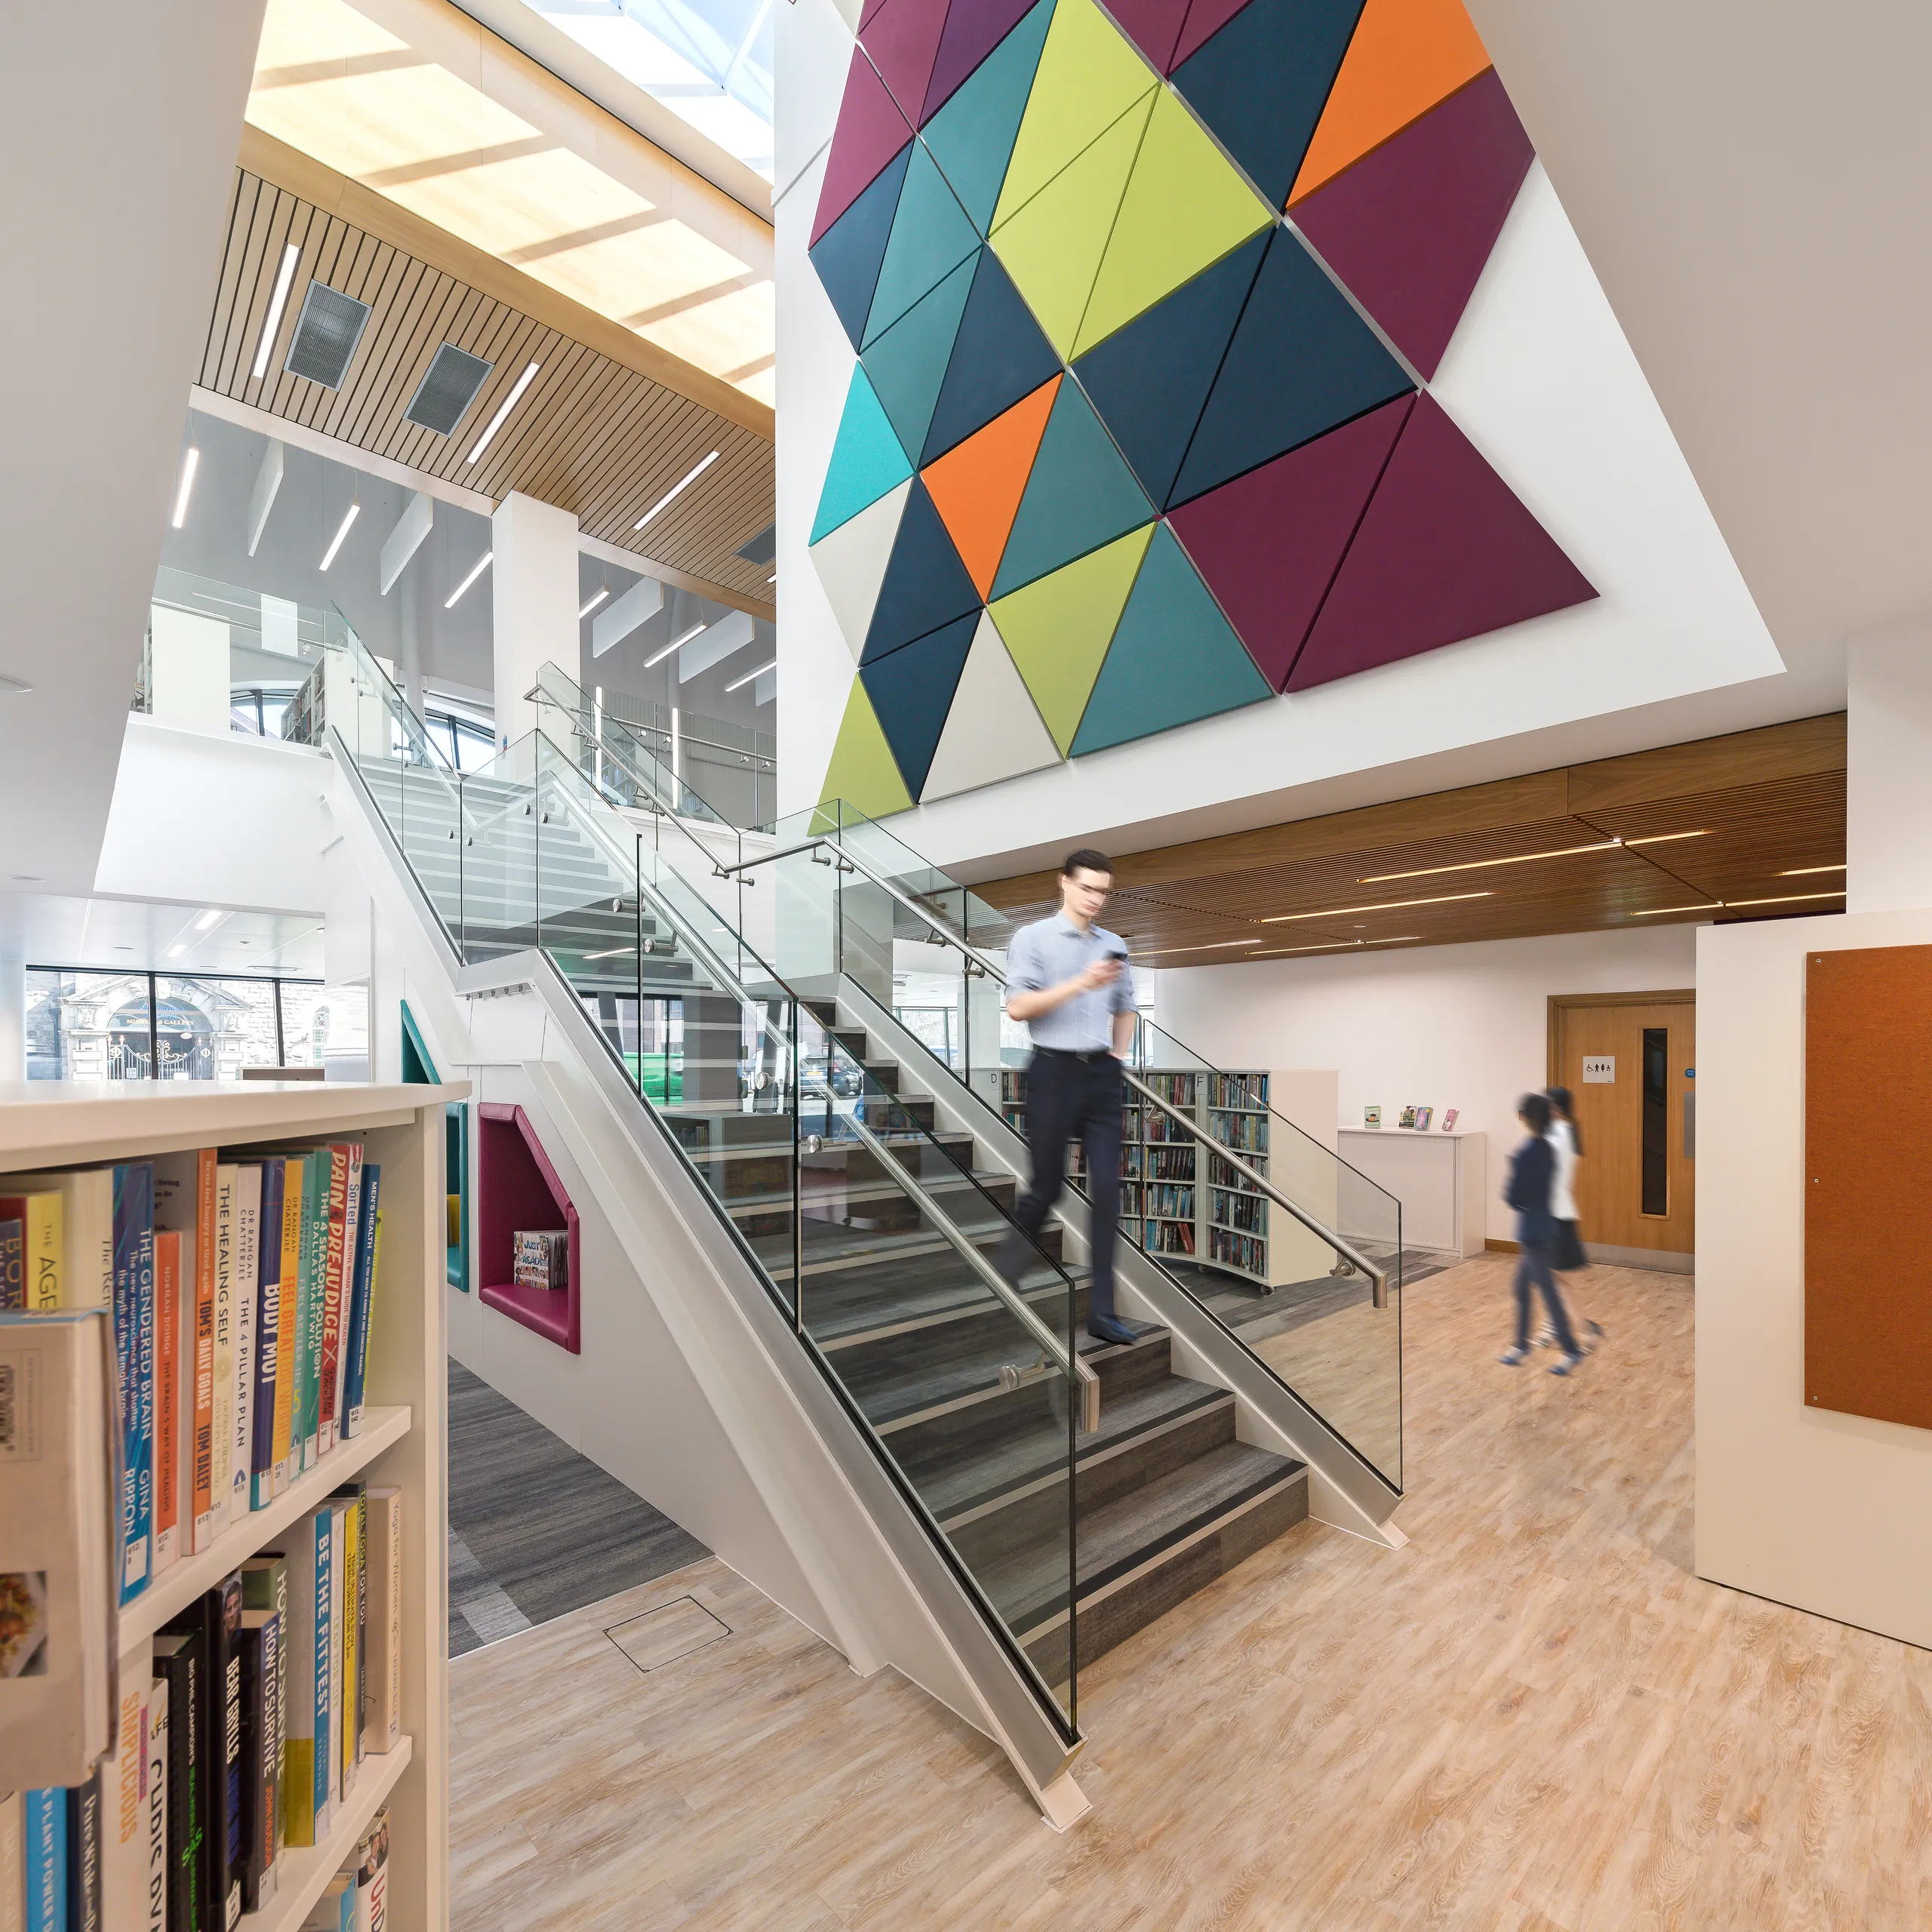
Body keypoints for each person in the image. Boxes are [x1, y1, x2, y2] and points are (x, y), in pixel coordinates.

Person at [996, 848, 1140, 1346]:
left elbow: (1126, 1008)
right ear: (1064, 883)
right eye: (1087, 888)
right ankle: (1006, 1269)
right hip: (1052, 1071)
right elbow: (1018, 1008)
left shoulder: (1115, 943)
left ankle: (1102, 1311)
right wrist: (1081, 982)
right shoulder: (1031, 939)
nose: (1096, 898)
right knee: (1048, 1187)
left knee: (1108, 1193)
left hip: (1101, 1075)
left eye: (1103, 890)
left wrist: (1118, 1055)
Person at [1500, 1091, 1583, 1375]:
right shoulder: (1547, 1148)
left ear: (1523, 1118)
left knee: (1546, 1291)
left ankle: (1571, 1349)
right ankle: (1521, 1344)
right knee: (1521, 1287)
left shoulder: (1525, 1154)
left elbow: (1511, 1197)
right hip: (1546, 1226)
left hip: (1532, 1231)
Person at [1543, 1085, 1605, 1349]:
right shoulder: (1563, 1133)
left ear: (1555, 1108)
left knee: (1551, 1276)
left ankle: (1582, 1328)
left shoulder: (1559, 1135)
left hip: (1554, 1214)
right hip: (1555, 1213)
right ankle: (1558, 1326)